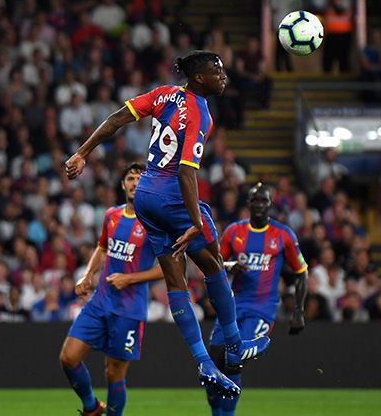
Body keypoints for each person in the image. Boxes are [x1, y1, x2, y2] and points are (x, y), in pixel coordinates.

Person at [65, 50, 269, 399]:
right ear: (199, 78)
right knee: (213, 264)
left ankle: (204, 362)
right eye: (216, 71)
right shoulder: (202, 114)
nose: (223, 77)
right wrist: (193, 222)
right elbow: (188, 172)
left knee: (176, 279)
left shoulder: (163, 94)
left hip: (144, 196)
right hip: (171, 192)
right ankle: (235, 344)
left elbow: (116, 118)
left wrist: (83, 152)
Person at [59, 163, 163, 416]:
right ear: (123, 184)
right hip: (100, 302)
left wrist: (130, 279)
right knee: (68, 357)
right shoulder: (111, 215)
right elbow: (103, 247)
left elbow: (168, 269)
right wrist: (87, 275)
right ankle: (91, 407)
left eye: (140, 179)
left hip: (129, 310)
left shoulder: (156, 223)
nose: (135, 183)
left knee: (113, 372)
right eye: (130, 178)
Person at [207, 182, 308, 415]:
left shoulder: (283, 235)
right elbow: (214, 264)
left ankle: (257, 345)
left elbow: (302, 272)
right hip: (232, 305)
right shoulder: (234, 231)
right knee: (212, 366)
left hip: (263, 307)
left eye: (264, 200)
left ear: (270, 204)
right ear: (248, 204)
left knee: (234, 357)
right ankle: (217, 407)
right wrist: (230, 265)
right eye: (256, 200)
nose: (260, 205)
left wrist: (299, 311)